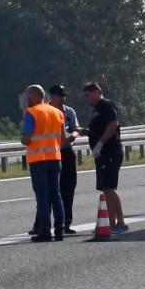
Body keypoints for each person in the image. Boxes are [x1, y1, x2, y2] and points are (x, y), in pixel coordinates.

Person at [22, 84, 66, 241]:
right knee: (56, 195)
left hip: (38, 160)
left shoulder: (31, 112)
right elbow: (63, 139)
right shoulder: (57, 112)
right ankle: (60, 231)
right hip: (55, 157)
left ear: (33, 96)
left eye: (28, 97)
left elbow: (27, 138)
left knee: (42, 197)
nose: (26, 100)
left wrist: (24, 139)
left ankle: (45, 231)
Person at [83, 81, 127, 235]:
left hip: (110, 151)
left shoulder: (106, 105)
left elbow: (113, 124)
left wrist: (100, 143)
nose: (87, 99)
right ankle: (112, 221)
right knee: (106, 188)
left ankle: (120, 221)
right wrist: (86, 132)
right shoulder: (97, 109)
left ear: (97, 91)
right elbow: (98, 128)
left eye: (88, 95)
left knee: (109, 187)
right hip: (103, 153)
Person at [48, 84, 80, 233]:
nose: (63, 99)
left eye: (64, 96)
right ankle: (42, 223)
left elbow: (75, 129)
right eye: (60, 96)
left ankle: (66, 222)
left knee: (68, 187)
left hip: (67, 151)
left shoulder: (69, 111)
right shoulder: (45, 112)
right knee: (49, 190)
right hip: (51, 153)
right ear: (52, 97)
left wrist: (73, 135)